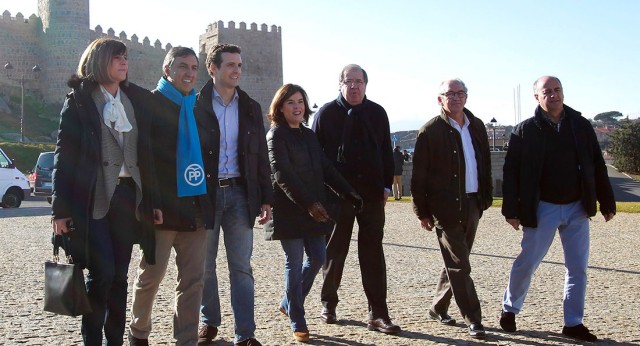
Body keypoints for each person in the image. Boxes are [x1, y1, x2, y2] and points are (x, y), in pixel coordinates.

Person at [51, 37, 162, 345]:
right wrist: (59, 209)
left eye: (125, 57)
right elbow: (65, 155)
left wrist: (151, 201)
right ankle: (92, 341)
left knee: (120, 277)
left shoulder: (134, 100)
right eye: (117, 58)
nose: (124, 63)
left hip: (128, 198)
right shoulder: (79, 101)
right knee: (102, 274)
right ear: (100, 61)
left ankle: (114, 340)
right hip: (93, 198)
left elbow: (146, 155)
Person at [499, 76, 616, 342]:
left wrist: (607, 201)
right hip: (543, 207)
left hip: (577, 206)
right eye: (547, 91)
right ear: (537, 97)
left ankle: (573, 323)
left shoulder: (580, 125)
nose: (553, 95)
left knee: (578, 268)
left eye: (557, 90)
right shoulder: (524, 130)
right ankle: (510, 309)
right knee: (527, 263)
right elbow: (511, 171)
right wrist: (511, 209)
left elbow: (597, 164)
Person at [128, 47, 216, 346]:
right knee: (151, 276)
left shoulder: (200, 107)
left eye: (193, 67)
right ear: (167, 70)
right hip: (162, 208)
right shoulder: (150, 103)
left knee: (193, 282)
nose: (190, 73)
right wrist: (151, 202)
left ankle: (186, 340)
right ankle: (139, 332)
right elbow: (144, 157)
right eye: (182, 67)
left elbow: (210, 157)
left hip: (196, 208)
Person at [265, 84, 363, 343]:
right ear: (280, 107)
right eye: (291, 103)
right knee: (294, 264)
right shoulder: (275, 136)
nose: (297, 107)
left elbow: (326, 168)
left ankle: (288, 301)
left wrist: (348, 191)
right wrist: (308, 203)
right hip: (289, 209)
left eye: (300, 102)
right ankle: (297, 318)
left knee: (318, 258)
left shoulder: (308, 135)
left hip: (314, 209)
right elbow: (282, 175)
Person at [312, 64, 401, 334]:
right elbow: (316, 157)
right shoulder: (326, 113)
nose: (354, 86)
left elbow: (386, 150)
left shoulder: (377, 112)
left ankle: (378, 313)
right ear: (340, 84)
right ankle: (329, 302)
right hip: (338, 194)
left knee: (373, 253)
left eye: (359, 81)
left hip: (372, 193)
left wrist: (387, 185)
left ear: (365, 84)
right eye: (349, 81)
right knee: (335, 251)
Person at [196, 43, 273, 346]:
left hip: (241, 194)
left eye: (239, 65)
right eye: (230, 65)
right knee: (205, 265)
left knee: (241, 266)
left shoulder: (251, 107)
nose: (236, 70)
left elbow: (261, 158)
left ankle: (245, 334)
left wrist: (266, 198)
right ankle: (209, 321)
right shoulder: (195, 104)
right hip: (206, 194)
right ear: (212, 68)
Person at [411, 78, 492, 339]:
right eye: (450, 94)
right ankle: (474, 318)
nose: (455, 98)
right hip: (444, 207)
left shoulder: (477, 125)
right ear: (440, 99)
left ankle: (437, 307)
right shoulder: (429, 131)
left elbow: (484, 164)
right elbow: (419, 176)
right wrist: (422, 211)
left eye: (460, 93)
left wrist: (485, 198)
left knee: (458, 260)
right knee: (459, 264)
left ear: (466, 97)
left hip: (472, 203)